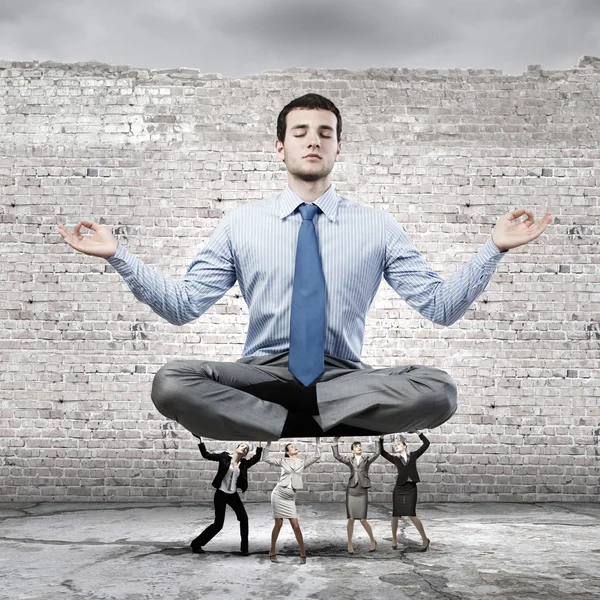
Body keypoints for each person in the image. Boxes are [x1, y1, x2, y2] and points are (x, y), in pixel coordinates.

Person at [58, 93, 552, 441]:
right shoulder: (241, 223)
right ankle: (308, 422)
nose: (313, 140)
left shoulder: (377, 225)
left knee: (440, 390)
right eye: (300, 132)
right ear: (281, 147)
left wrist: (494, 247)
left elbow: (440, 308)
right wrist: (118, 257)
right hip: (263, 376)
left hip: (343, 378)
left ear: (338, 147)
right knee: (170, 380)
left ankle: (287, 420)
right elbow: (183, 307)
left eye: (325, 133)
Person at [190, 437, 262, 556]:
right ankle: (196, 544)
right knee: (218, 524)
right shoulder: (224, 457)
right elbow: (206, 455)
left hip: (233, 495)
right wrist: (200, 440)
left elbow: (257, 458)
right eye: (242, 446)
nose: (244, 448)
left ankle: (244, 549)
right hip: (221, 494)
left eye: (247, 449)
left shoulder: (244, 464)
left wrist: (261, 441)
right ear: (236, 448)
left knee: (244, 519)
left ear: (246, 454)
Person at [262, 438, 321, 564]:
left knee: (296, 526)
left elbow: (317, 456)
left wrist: (317, 440)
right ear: (288, 452)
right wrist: (268, 442)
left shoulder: (302, 462)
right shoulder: (283, 461)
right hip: (278, 494)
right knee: (278, 524)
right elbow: (266, 459)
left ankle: (303, 553)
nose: (295, 447)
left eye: (294, 446)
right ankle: (272, 551)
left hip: (290, 498)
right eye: (292, 447)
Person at [379, 432, 430, 551]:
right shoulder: (395, 459)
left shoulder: (413, 456)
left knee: (412, 514)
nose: (395, 446)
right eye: (395, 445)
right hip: (399, 489)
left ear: (405, 446)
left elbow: (426, 443)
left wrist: (418, 432)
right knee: (395, 514)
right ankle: (394, 539)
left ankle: (424, 539)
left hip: (411, 488)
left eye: (398, 444)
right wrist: (381, 437)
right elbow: (382, 452)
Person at [332, 436, 380, 554]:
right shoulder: (350, 461)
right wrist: (335, 441)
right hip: (351, 491)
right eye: (356, 447)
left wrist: (378, 438)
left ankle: (373, 540)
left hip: (362, 491)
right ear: (352, 450)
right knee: (351, 519)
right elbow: (337, 456)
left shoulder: (367, 460)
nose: (359, 448)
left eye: (360, 446)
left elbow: (378, 452)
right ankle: (349, 543)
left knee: (363, 519)